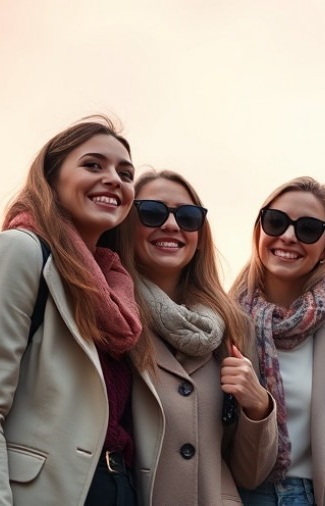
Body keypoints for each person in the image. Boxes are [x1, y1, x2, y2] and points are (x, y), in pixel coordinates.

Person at [0, 116, 164, 505]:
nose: (114, 179)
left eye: (125, 174)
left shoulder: (120, 289)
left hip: (117, 489)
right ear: (52, 177)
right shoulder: (18, 251)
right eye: (93, 165)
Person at [117, 169, 278, 505]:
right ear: (126, 224)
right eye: (152, 212)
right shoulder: (110, 314)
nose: (171, 225)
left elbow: (250, 474)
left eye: (188, 217)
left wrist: (257, 406)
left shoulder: (234, 326)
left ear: (200, 235)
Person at [230, 176, 325, 506]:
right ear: (259, 230)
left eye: (308, 229)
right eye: (275, 221)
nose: (288, 236)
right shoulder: (221, 324)